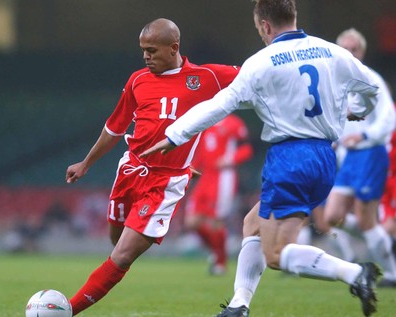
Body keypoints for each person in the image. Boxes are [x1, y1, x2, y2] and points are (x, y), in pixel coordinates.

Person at [140, 1, 382, 316]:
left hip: (290, 158)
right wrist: (357, 111)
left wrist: (175, 134)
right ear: (292, 17)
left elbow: (220, 104)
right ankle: (239, 304)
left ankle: (355, 273)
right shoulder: (332, 52)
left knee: (277, 255)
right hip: (324, 157)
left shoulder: (261, 62)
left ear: (264, 25)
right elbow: (372, 88)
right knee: (252, 225)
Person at [64, 18, 240, 315]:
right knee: (116, 242)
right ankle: (112, 272)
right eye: (143, 50)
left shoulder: (206, 76)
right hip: (130, 171)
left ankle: (67, 309)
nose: (146, 56)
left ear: (174, 48)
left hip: (164, 183)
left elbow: (255, 74)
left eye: (152, 50)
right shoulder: (137, 80)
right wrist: (86, 163)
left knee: (121, 256)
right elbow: (114, 128)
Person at [320, 28, 396, 288]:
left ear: (361, 52)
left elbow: (388, 118)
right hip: (348, 159)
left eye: (354, 49)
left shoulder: (370, 79)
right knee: (331, 216)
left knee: (365, 217)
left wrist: (364, 137)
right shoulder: (335, 84)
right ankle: (372, 236)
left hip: (371, 154)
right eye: (344, 49)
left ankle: (392, 273)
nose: (349, 54)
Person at [184, 114, 253, 275]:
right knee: (192, 221)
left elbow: (247, 149)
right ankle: (217, 252)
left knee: (216, 221)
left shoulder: (234, 123)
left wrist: (230, 159)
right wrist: (192, 168)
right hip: (205, 177)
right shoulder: (204, 122)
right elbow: (200, 152)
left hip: (223, 177)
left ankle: (220, 263)